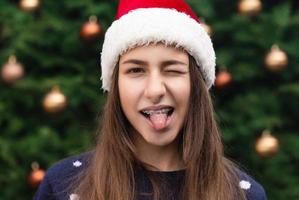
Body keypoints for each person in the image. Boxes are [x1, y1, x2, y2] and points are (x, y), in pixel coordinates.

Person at [35, 0, 268, 199]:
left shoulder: (243, 194)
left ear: (195, 85)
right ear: (116, 86)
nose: (155, 90)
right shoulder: (64, 187)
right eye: (136, 70)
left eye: (172, 69)